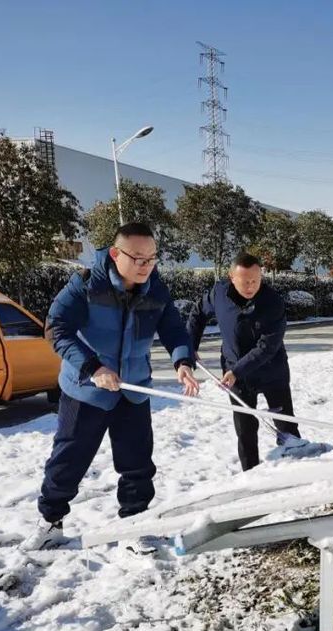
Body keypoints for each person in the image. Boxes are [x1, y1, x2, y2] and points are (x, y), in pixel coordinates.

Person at [21, 222, 199, 553]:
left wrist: (182, 362)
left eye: (152, 258)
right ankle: (50, 523)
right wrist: (93, 367)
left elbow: (174, 330)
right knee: (69, 460)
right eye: (138, 258)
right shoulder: (86, 285)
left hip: (134, 389)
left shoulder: (156, 290)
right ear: (116, 254)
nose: (146, 266)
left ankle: (135, 524)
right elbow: (57, 329)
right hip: (86, 390)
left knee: (137, 463)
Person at [186, 252, 301, 471]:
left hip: (271, 372)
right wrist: (190, 346)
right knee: (245, 430)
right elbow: (198, 314)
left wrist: (237, 371)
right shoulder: (219, 293)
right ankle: (250, 474)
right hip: (236, 375)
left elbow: (267, 346)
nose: (251, 286)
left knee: (285, 425)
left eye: (255, 281)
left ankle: (297, 467)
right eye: (245, 281)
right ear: (231, 277)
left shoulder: (272, 302)